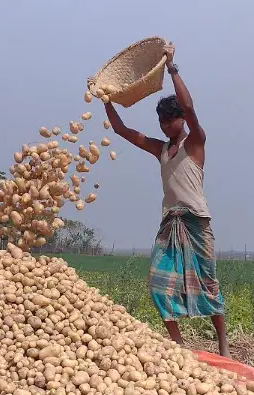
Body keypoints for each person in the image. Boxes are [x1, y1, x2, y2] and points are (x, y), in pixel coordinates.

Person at [102, 42, 230, 358]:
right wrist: (105, 101)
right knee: (159, 284)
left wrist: (172, 68)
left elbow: (190, 108)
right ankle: (179, 346)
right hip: (170, 222)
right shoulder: (161, 149)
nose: (165, 126)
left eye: (169, 121)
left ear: (180, 121)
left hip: (196, 221)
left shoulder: (195, 142)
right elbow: (122, 131)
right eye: (161, 122)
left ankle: (224, 346)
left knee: (207, 283)